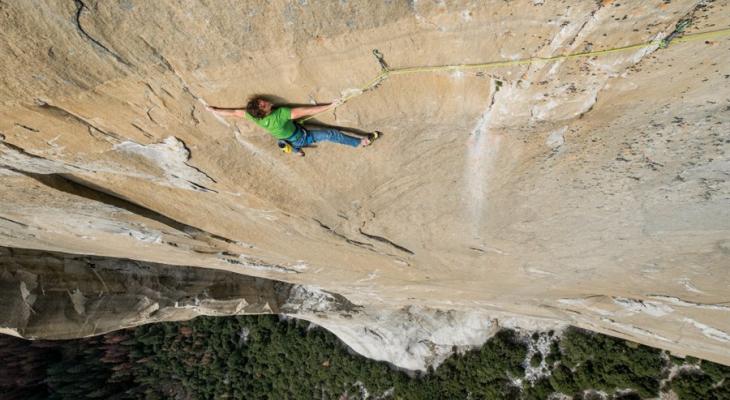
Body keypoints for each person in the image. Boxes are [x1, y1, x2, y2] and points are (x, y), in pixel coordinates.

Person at [208, 97, 377, 156]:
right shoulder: (281, 115)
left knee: (291, 144)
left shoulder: (255, 117)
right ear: (264, 111)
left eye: (262, 101)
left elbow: (235, 113)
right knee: (331, 134)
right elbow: (306, 110)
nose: (265, 102)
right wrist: (330, 105)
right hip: (302, 136)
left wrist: (214, 110)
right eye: (263, 104)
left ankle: (295, 151)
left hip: (289, 136)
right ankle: (359, 143)